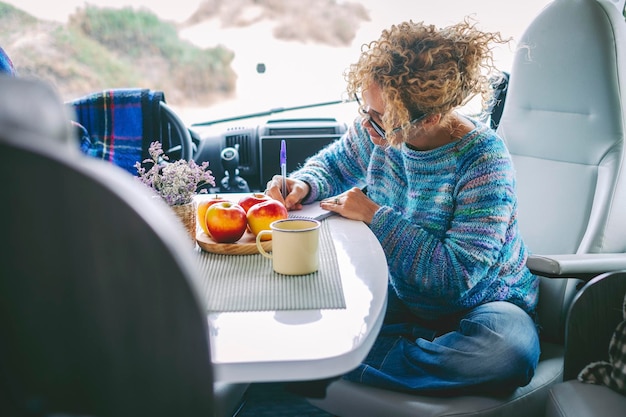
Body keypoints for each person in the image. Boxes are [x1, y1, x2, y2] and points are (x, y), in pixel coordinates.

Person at [266, 18, 540, 395]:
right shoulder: (378, 130)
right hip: (400, 292)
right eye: (365, 110)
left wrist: (376, 217)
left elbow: (455, 280)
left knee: (507, 353)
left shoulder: (482, 159)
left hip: (481, 304)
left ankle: (339, 362)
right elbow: (331, 165)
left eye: (379, 118)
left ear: (429, 117)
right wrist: (303, 183)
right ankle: (371, 359)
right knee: (303, 303)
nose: (366, 125)